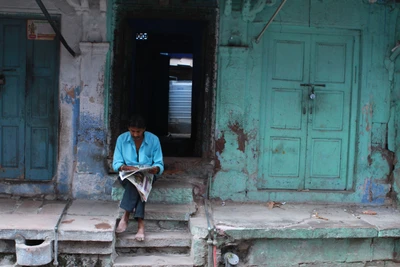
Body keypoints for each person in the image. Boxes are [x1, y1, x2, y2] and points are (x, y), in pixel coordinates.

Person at [112, 114, 164, 241]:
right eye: (132, 131)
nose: (135, 134)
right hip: (128, 175)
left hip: (148, 175)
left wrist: (154, 169)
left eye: (138, 131)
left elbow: (159, 164)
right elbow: (116, 164)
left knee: (139, 182)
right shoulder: (121, 139)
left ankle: (126, 215)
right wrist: (128, 168)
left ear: (144, 129)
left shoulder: (154, 140)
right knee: (135, 183)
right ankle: (140, 225)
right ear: (129, 129)